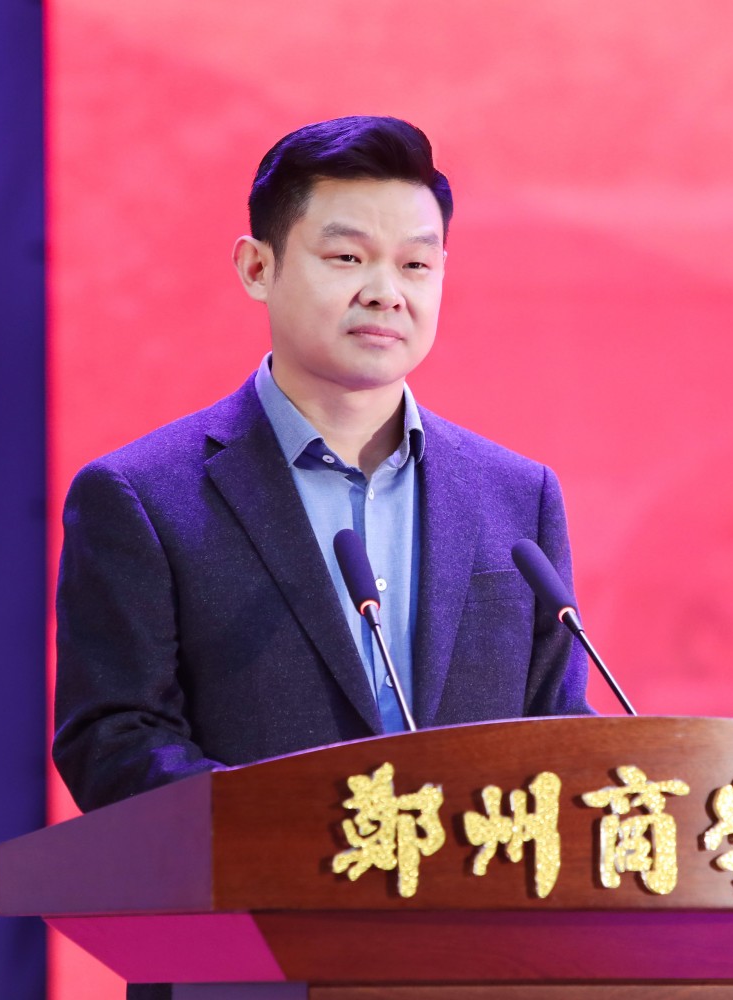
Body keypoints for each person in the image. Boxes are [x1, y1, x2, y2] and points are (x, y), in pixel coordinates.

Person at [53, 115, 591, 820]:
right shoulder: (143, 498)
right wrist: (306, 830)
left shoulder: (518, 498)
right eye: (347, 257)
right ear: (257, 267)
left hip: (476, 891)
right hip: (258, 887)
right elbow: (114, 742)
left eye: (416, 265)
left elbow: (559, 734)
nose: (386, 291)